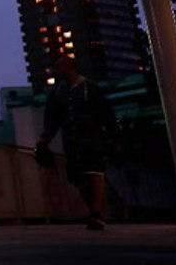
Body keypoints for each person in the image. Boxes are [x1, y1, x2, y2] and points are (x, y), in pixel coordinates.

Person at [36, 55, 118, 231]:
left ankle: (95, 212)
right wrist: (45, 139)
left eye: (60, 67)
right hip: (71, 142)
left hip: (92, 140)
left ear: (70, 67)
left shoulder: (90, 88)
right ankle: (94, 211)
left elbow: (106, 113)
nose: (57, 71)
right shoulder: (57, 93)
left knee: (94, 173)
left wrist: (113, 136)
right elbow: (52, 120)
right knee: (78, 178)